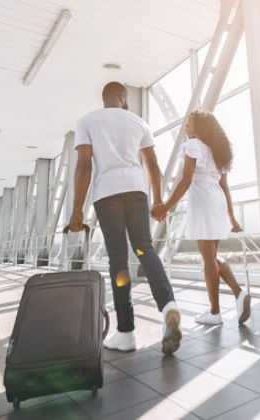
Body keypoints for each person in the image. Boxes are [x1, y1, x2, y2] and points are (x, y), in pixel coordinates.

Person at [66, 82, 182, 355]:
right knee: (144, 248)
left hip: (107, 193)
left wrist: (77, 210)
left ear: (104, 97)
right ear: (121, 96)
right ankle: (168, 305)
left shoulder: (87, 121)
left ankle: (127, 333)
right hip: (136, 190)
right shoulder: (139, 122)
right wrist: (158, 201)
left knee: (118, 259)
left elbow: (84, 165)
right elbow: (152, 164)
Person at [152, 110, 251, 325]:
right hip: (216, 202)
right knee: (212, 257)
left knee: (208, 259)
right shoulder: (218, 151)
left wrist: (165, 207)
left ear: (200, 128)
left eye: (189, 123)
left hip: (204, 202)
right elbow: (224, 187)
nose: (186, 127)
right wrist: (231, 218)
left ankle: (215, 312)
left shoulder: (194, 145)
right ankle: (238, 293)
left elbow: (186, 180)